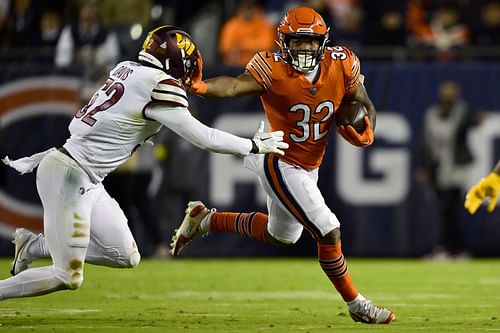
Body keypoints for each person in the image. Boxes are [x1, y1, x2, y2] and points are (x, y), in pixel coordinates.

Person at [0, 25, 288, 300]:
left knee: (126, 255)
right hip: (70, 173)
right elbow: (204, 137)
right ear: (175, 59)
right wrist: (250, 145)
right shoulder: (158, 84)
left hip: (85, 176)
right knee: (68, 276)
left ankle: (33, 245)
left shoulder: (127, 69)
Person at [170, 7, 395, 324]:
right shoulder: (273, 68)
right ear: (284, 42)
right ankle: (357, 304)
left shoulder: (342, 63)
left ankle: (206, 220)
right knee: (328, 231)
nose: (304, 48)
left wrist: (367, 128)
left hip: (308, 166)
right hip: (280, 159)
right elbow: (233, 86)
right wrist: (197, 86)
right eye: (297, 41)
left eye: (310, 41)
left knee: (282, 237)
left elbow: (365, 102)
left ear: (323, 42)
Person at [415, 80, 480, 260]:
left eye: (451, 93)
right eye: (445, 92)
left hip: (457, 167)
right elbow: (427, 144)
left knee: (451, 208)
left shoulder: (461, 112)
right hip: (438, 168)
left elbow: (472, 117)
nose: (448, 96)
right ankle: (453, 248)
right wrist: (425, 168)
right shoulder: (431, 115)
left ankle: (452, 248)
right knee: (444, 210)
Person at [218, 0, 276, 67]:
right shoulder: (231, 25)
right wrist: (253, 48)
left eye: (251, 7)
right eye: (246, 7)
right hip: (234, 67)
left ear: (256, 9)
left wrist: (240, 48)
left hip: (258, 66)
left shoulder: (265, 25)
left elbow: (266, 48)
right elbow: (225, 49)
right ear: (240, 9)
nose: (248, 11)